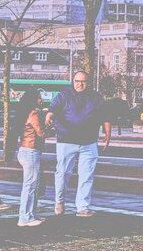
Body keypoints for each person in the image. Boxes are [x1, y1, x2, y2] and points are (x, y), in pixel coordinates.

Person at [50, 69, 110, 217]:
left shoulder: (95, 97)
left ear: (87, 83)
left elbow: (105, 116)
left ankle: (82, 206)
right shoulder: (64, 95)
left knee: (86, 175)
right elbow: (53, 109)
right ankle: (59, 201)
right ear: (73, 81)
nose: (80, 84)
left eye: (83, 81)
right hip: (66, 140)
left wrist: (108, 134)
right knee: (63, 173)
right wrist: (49, 116)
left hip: (88, 142)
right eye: (77, 81)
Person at [15, 89, 51, 228]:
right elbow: (41, 133)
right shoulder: (34, 114)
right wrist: (50, 127)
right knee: (30, 186)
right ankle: (25, 217)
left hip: (25, 150)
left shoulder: (24, 113)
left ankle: (30, 214)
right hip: (31, 151)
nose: (41, 100)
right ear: (34, 99)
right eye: (39, 98)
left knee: (33, 185)